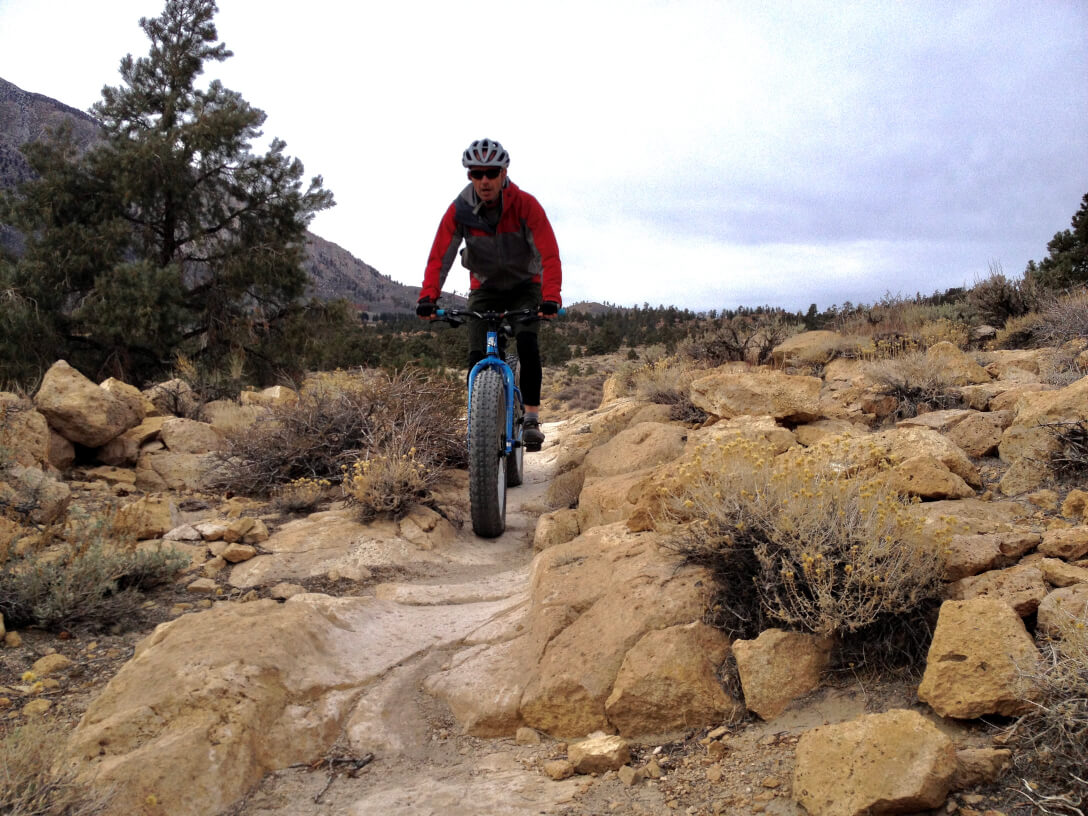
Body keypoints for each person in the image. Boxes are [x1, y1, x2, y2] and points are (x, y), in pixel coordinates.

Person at [417, 138, 562, 450]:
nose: (484, 180)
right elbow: (440, 255)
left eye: (491, 172)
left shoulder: (525, 205)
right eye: (476, 173)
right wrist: (428, 296)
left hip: (525, 286)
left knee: (526, 341)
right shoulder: (460, 210)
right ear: (470, 175)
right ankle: (479, 423)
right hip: (485, 288)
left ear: (503, 172)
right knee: (476, 353)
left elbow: (548, 254)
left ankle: (532, 419)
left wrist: (550, 298)